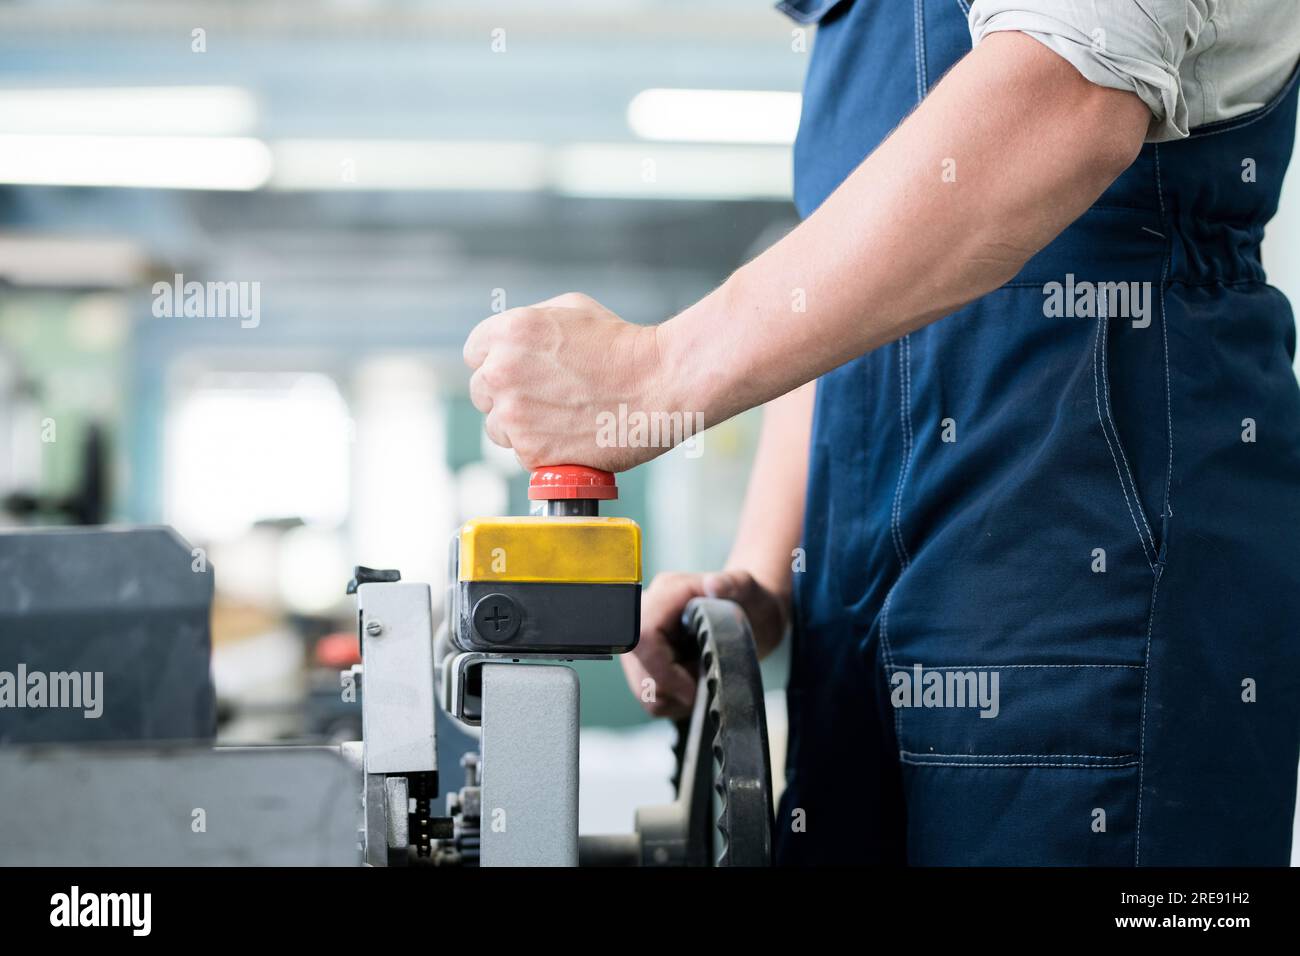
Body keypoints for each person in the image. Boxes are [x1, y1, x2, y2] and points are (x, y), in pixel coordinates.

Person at [463, 1, 1300, 865]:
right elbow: (851, 307)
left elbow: (1066, 97)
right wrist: (760, 576)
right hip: (859, 616)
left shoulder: (1049, 70)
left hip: (1086, 554)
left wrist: (649, 378)